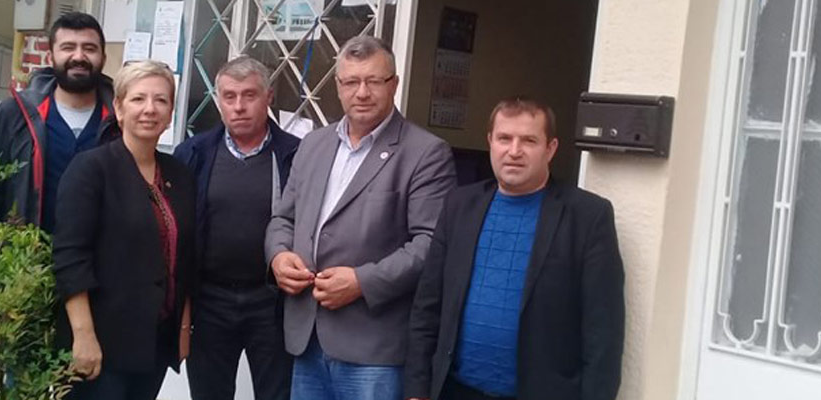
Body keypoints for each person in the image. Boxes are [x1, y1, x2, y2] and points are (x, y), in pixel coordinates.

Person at [264, 35, 457, 400]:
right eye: (351, 82)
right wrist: (278, 256)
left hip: (373, 350)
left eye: (374, 81)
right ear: (338, 87)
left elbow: (431, 244)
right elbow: (283, 219)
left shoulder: (426, 153)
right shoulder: (313, 144)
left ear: (394, 84)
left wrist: (362, 282)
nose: (362, 93)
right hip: (306, 339)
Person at [404, 98, 625, 400]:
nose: (514, 151)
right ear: (490, 142)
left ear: (550, 148)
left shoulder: (587, 217)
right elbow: (428, 306)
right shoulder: (459, 205)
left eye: (529, 141)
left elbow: (604, 332)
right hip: (456, 390)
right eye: (504, 138)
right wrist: (417, 390)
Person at [52, 60, 194, 400]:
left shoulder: (179, 174)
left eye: (161, 100)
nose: (150, 109)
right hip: (102, 344)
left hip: (154, 343)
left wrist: (183, 327)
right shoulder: (91, 169)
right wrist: (83, 336)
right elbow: (71, 257)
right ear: (119, 107)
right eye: (138, 99)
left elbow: (187, 257)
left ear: (171, 113)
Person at [173, 56, 299, 400]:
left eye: (249, 95)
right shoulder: (193, 153)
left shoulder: (295, 155)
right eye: (229, 96)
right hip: (210, 301)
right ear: (218, 100)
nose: (239, 106)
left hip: (271, 302)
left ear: (268, 97)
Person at [0, 12, 114, 232]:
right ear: (50, 58)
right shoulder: (15, 113)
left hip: (98, 252)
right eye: (68, 47)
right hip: (28, 250)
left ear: (103, 58)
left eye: (89, 48)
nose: (79, 56)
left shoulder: (119, 120)